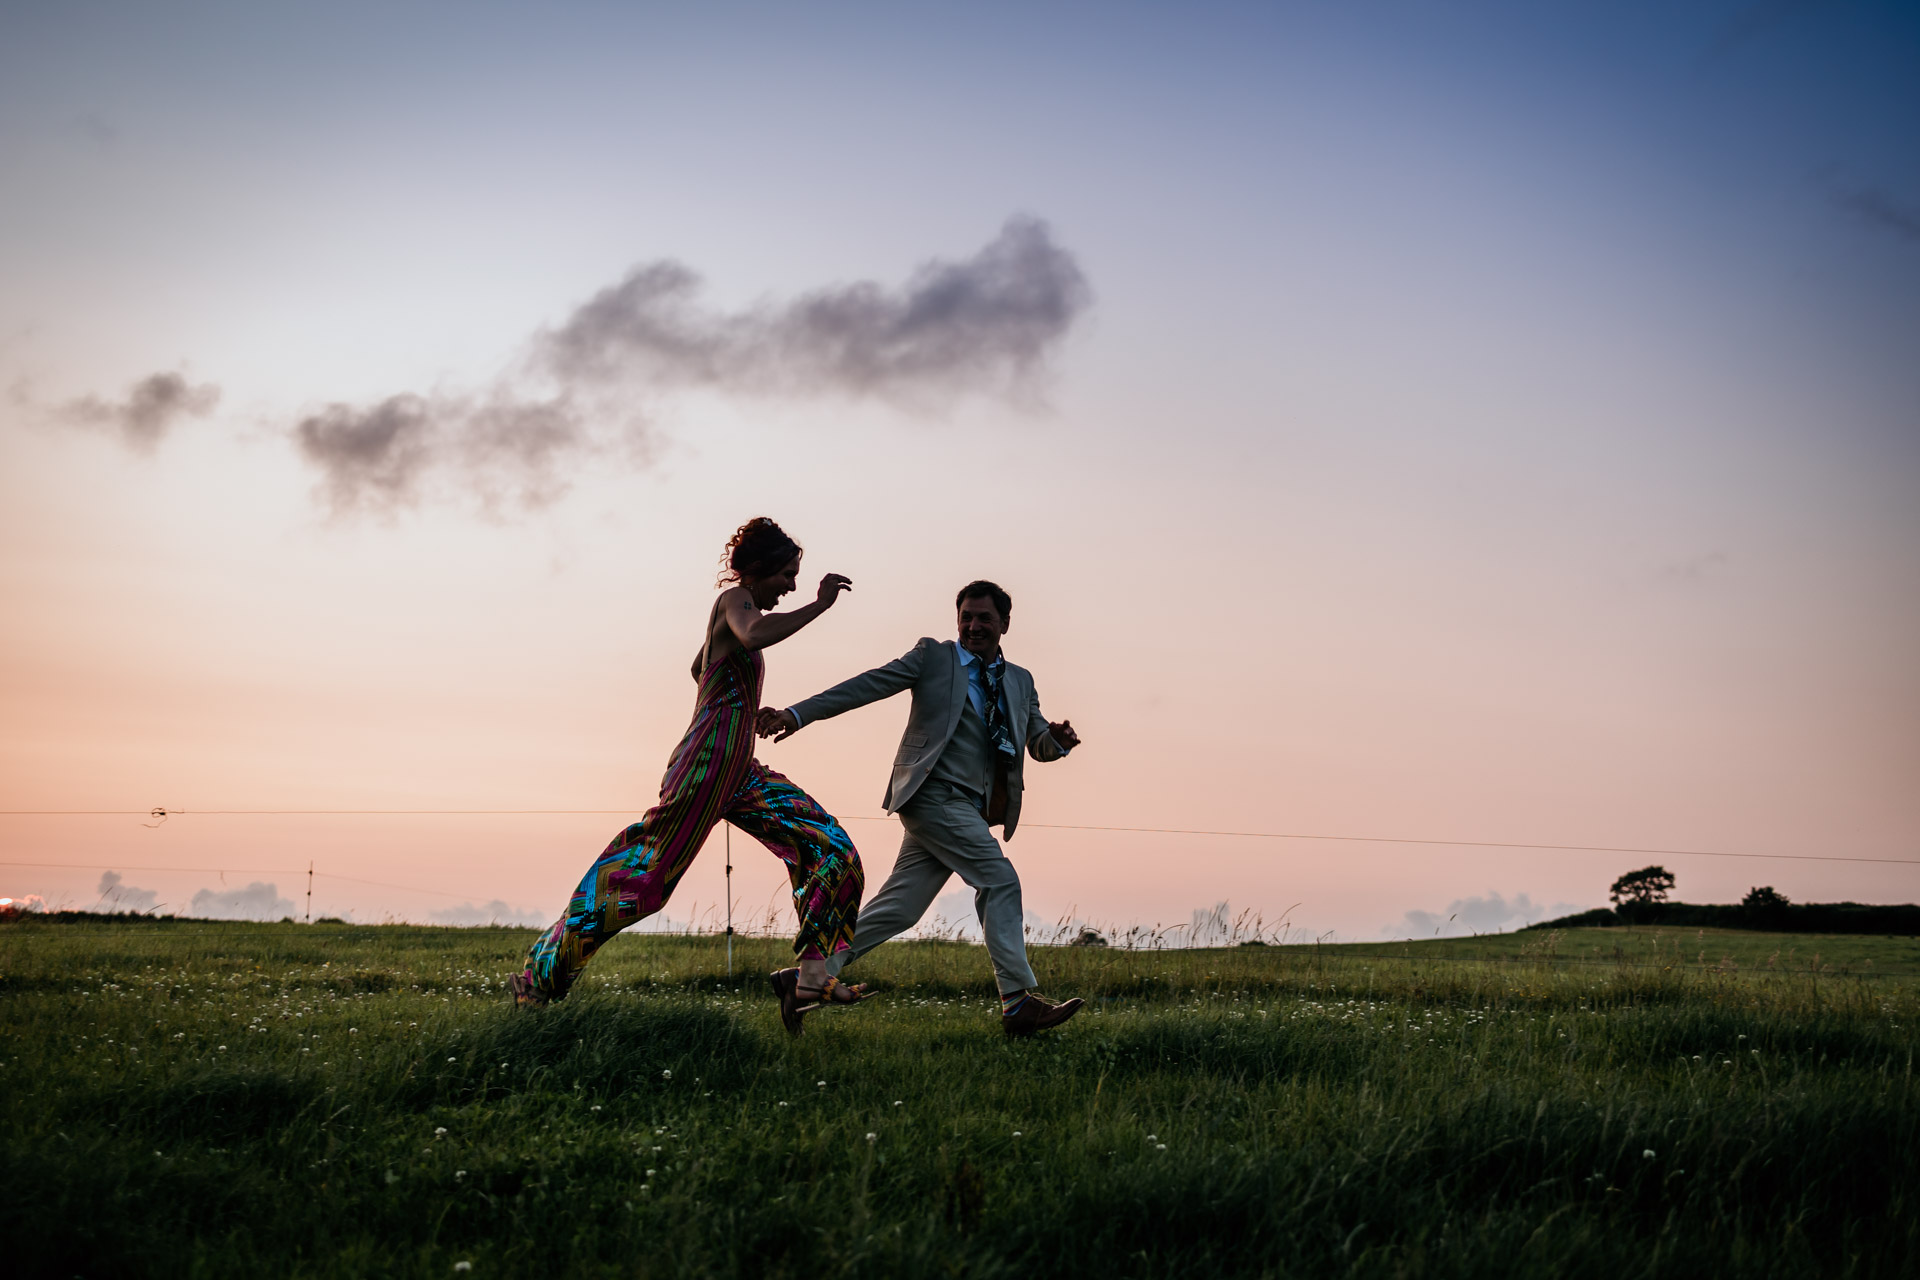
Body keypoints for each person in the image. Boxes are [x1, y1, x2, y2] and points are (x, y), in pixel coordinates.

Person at [512, 517, 868, 1034]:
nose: (792, 586)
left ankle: (810, 977)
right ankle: (536, 982)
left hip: (739, 768)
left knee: (830, 845)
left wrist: (746, 711)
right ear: (759, 571)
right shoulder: (736, 602)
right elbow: (748, 632)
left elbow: (702, 665)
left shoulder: (736, 614)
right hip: (704, 768)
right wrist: (817, 607)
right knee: (641, 882)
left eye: (797, 578)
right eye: (787, 575)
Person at [758, 580, 1085, 1037]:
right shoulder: (934, 657)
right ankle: (1017, 1002)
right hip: (931, 794)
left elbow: (1037, 744)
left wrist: (1060, 742)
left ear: (1005, 624)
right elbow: (866, 686)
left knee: (900, 909)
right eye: (966, 617)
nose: (973, 626)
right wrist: (796, 713)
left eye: (984, 618)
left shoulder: (1019, 680)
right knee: (999, 879)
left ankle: (805, 978)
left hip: (968, 807)